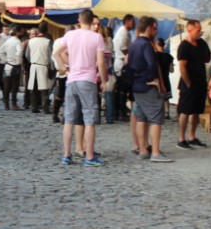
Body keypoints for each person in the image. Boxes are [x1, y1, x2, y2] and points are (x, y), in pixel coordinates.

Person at [58, 9, 107, 166]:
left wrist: (66, 69)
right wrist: (104, 81)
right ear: (92, 20)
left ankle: (66, 155)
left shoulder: (70, 35)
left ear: (79, 19)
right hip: (88, 81)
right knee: (89, 120)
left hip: (71, 80)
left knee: (69, 119)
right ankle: (89, 157)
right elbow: (100, 62)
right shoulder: (97, 37)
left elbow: (57, 53)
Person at [127, 17, 173, 162]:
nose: (155, 31)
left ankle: (143, 150)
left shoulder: (134, 44)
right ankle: (155, 153)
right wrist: (156, 80)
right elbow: (152, 63)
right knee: (155, 118)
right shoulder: (146, 45)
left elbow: (128, 64)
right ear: (147, 28)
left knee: (141, 117)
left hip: (136, 85)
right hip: (148, 86)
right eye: (154, 28)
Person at [175, 20, 211, 149]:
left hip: (200, 81)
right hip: (188, 83)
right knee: (185, 110)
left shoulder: (201, 43)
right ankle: (181, 138)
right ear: (190, 30)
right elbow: (182, 67)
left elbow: (208, 57)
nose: (200, 32)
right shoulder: (184, 46)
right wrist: (188, 83)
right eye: (197, 30)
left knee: (196, 111)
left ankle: (192, 136)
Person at [111, 15, 135, 122]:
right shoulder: (123, 32)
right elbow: (122, 47)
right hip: (121, 62)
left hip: (123, 62)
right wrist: (129, 56)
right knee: (121, 90)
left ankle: (120, 111)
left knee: (123, 89)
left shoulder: (126, 32)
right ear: (128, 21)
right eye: (133, 21)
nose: (134, 23)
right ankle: (120, 112)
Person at [26, 28, 53, 114]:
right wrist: (51, 67)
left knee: (33, 89)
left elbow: (27, 55)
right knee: (44, 89)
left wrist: (33, 60)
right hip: (43, 66)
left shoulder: (31, 41)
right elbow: (50, 56)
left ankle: (34, 107)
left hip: (33, 65)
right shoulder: (48, 41)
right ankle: (45, 108)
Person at [0, 26, 23, 110]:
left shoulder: (8, 41)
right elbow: (19, 52)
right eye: (20, 31)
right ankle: (14, 104)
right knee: (14, 86)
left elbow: (0, 51)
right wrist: (17, 61)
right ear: (17, 32)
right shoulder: (17, 41)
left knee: (7, 86)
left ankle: (6, 104)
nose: (22, 33)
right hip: (15, 66)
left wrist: (5, 60)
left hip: (8, 65)